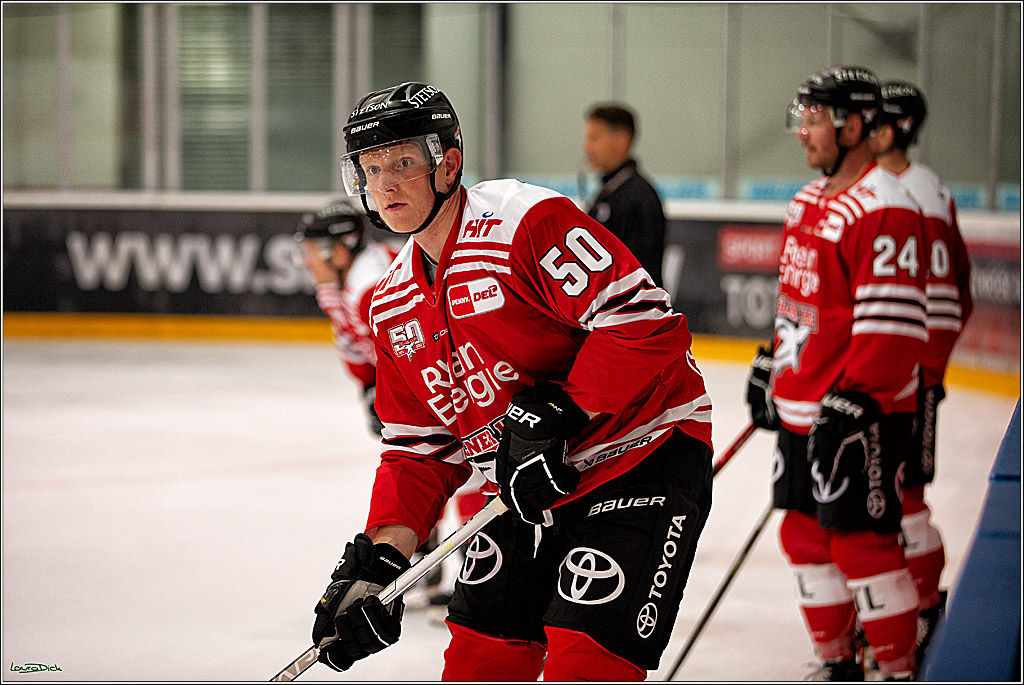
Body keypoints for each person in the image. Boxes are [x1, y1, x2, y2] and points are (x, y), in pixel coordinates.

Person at [310, 81, 713, 681]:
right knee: (479, 662)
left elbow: (645, 324)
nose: (385, 183)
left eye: (402, 162)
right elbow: (419, 448)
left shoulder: (524, 221)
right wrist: (381, 559)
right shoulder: (392, 303)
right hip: (523, 490)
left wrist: (566, 414)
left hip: (639, 456)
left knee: (585, 666)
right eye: (370, 169)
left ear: (448, 163)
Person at [745, 66, 928, 681]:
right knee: (802, 537)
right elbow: (799, 300)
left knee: (862, 543)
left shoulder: (887, 206)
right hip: (807, 402)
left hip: (862, 409)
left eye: (815, 120)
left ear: (853, 126)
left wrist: (856, 398)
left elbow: (894, 325)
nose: (804, 134)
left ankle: (898, 668)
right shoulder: (806, 202)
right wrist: (775, 360)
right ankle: (836, 662)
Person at [871, 80, 973, 664]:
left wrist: (921, 375)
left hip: (905, 382)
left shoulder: (910, 194)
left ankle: (924, 607)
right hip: (902, 377)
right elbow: (958, 288)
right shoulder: (918, 188)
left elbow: (943, 294)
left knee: (903, 499)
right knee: (891, 499)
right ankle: (911, 608)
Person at [295, 200, 398, 436]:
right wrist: (371, 387)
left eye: (311, 251)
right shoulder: (339, 288)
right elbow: (355, 347)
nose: (305, 261)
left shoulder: (370, 294)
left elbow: (422, 360)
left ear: (340, 254)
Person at [583, 103, 667, 287]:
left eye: (594, 138)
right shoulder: (609, 189)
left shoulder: (640, 196)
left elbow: (642, 272)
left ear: (621, 141)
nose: (586, 147)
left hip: (631, 312)